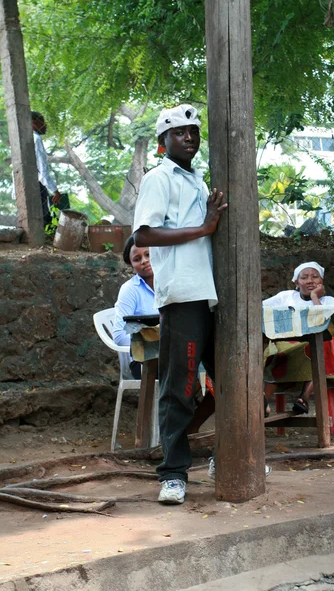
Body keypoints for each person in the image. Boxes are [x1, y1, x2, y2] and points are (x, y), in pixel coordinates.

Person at [133, 104, 227, 505]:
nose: (189, 137)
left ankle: (225, 457)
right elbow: (143, 234)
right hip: (183, 295)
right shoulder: (159, 178)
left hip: (212, 294)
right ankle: (173, 474)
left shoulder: (199, 179)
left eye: (193, 131)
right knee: (180, 387)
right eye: (179, 133)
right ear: (162, 143)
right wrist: (204, 227)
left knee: (232, 381)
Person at [262, 261, 334, 415]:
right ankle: (263, 401)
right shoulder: (285, 297)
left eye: (315, 277)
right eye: (304, 277)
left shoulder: (328, 301)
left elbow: (324, 326)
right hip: (285, 346)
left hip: (312, 347)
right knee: (278, 353)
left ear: (322, 281)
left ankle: (304, 398)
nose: (310, 281)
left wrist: (314, 297)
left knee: (318, 349)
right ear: (296, 282)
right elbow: (260, 309)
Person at [113, 235, 155, 379]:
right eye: (137, 259)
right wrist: (152, 343)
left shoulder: (170, 284)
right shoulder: (130, 290)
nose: (144, 261)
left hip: (172, 355)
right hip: (143, 361)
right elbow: (119, 335)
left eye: (148, 254)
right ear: (132, 266)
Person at [31, 111, 61, 226]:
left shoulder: (23, 139)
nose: (45, 125)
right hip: (37, 185)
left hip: (26, 186)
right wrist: (55, 190)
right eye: (42, 121)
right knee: (44, 218)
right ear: (34, 123)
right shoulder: (36, 139)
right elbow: (42, 168)